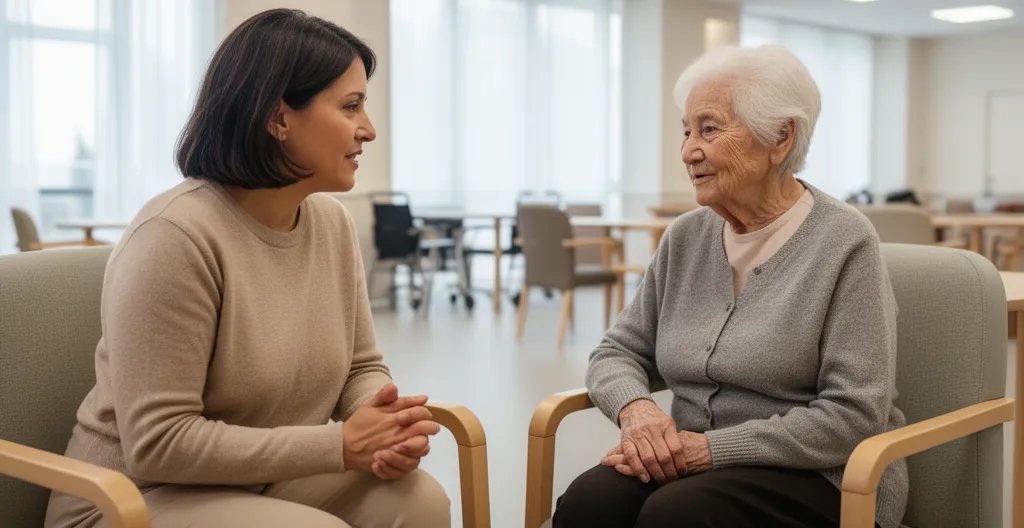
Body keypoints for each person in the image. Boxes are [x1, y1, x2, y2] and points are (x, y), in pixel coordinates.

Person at [45, 9, 450, 528]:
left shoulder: (332, 224)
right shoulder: (175, 237)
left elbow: (359, 367)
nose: (368, 129)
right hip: (130, 496)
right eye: (351, 106)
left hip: (256, 479)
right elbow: (159, 444)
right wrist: (340, 443)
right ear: (279, 119)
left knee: (419, 501)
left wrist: (382, 421)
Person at [553, 44, 907, 528]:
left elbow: (854, 414)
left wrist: (710, 450)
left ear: (780, 138)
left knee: (675, 515)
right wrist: (638, 411)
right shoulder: (686, 237)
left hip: (823, 475)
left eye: (709, 129)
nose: (688, 151)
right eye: (686, 131)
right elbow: (618, 351)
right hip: (690, 461)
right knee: (587, 503)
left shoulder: (845, 242)